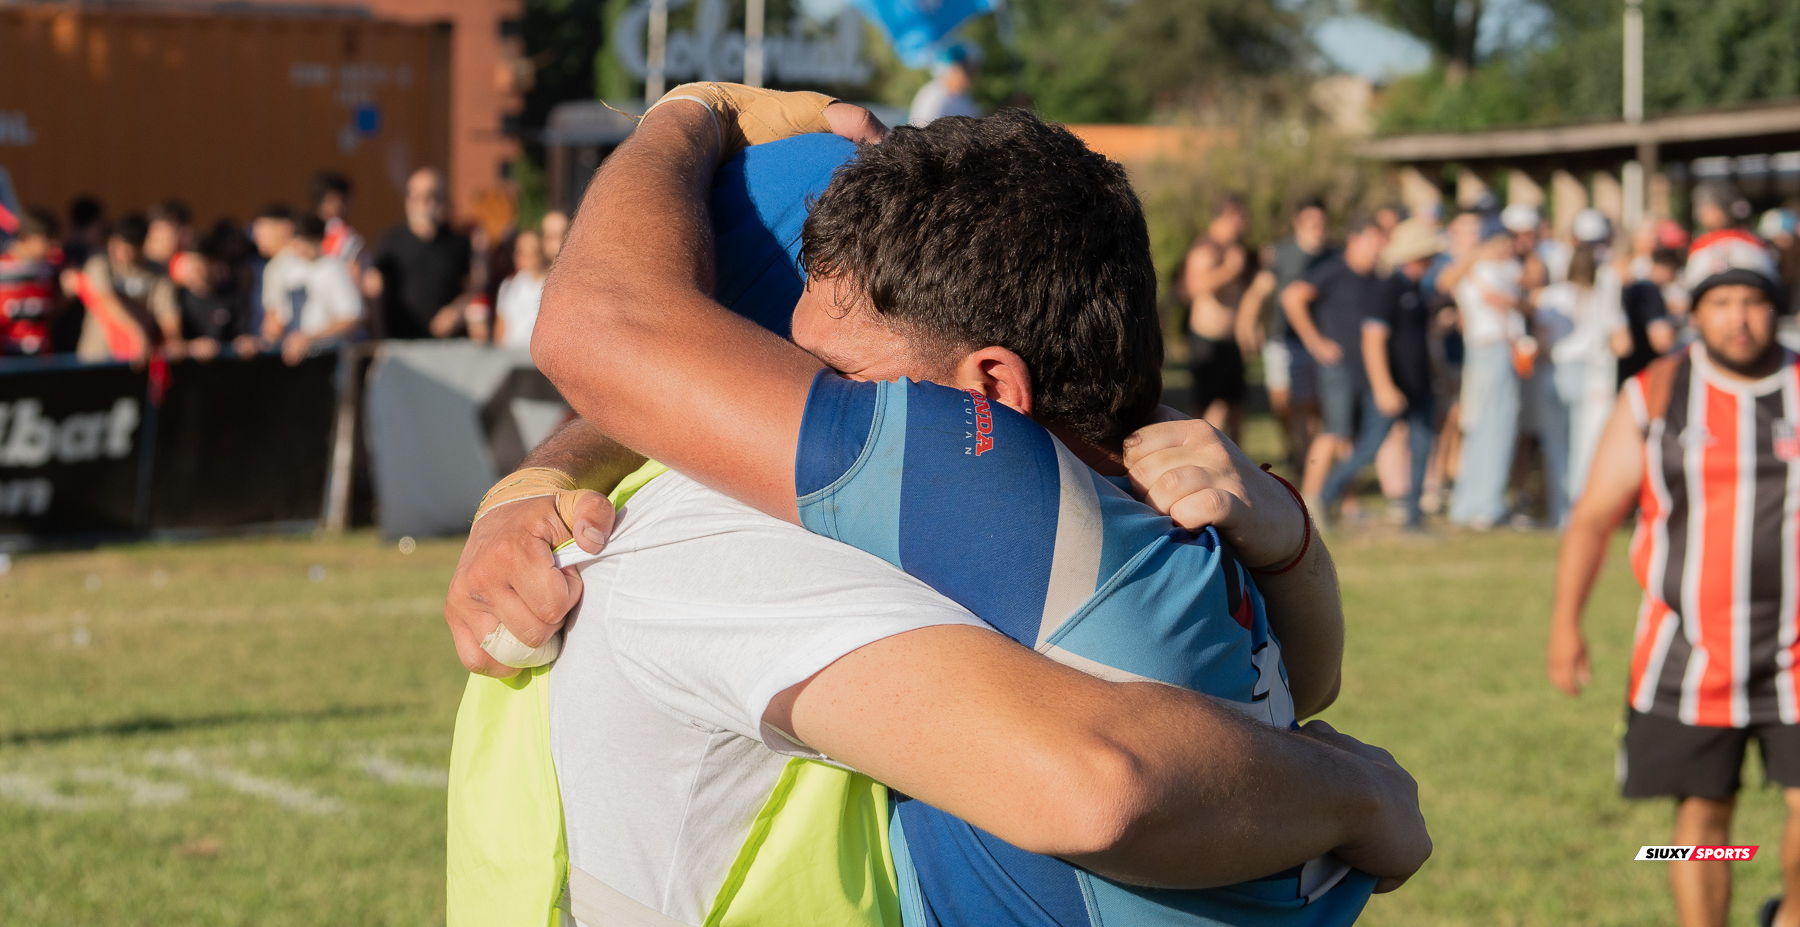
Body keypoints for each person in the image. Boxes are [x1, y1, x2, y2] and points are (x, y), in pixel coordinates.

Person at [449, 94, 1428, 923]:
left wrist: (685, 112)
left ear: (990, 390)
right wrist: (1292, 540)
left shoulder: (980, 485)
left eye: (831, 378)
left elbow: (601, 331)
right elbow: (1311, 678)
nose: (818, 399)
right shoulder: (1168, 511)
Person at [1549, 230, 1800, 927]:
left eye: (1753, 300)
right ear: (1695, 310)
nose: (1738, 317)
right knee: (1701, 823)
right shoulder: (1656, 393)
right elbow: (1595, 517)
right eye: (1721, 302)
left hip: (1797, 656)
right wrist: (1565, 627)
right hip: (1689, 657)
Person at [1318, 216, 1439, 528]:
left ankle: (1413, 516)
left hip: (1418, 387)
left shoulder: (1418, 290)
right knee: (1367, 449)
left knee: (1422, 449)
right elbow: (1373, 340)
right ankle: (1325, 497)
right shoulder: (1388, 288)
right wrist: (1384, 386)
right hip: (1391, 388)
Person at [1280, 215, 1390, 505]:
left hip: (1364, 367)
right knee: (1333, 430)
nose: (1378, 249)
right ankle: (1311, 501)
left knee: (1350, 437)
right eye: (1373, 242)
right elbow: (1292, 297)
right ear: (1354, 241)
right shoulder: (1333, 270)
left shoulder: (1375, 278)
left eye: (1382, 243)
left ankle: (1348, 503)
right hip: (1336, 367)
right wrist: (1315, 342)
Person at [1532, 244, 1623, 520]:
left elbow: (1542, 340)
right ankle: (1580, 511)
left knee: (1557, 445)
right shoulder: (1602, 297)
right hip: (1590, 374)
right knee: (1585, 446)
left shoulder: (1552, 296)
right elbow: (1621, 342)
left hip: (1556, 371)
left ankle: (1561, 512)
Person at [1443, 218, 1524, 528]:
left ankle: (1474, 502)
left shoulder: (1484, 269)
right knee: (1493, 425)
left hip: (1489, 349)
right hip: (1491, 348)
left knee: (1487, 425)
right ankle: (1484, 505)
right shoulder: (1481, 268)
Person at [1240, 200, 1332, 472]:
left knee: (1311, 405)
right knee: (1282, 401)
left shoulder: (1332, 256)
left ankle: (1309, 461)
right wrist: (1248, 325)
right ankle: (1294, 446)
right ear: (1298, 223)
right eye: (1311, 223)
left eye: (1321, 223)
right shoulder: (1281, 253)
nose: (1317, 229)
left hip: (1320, 340)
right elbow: (1258, 292)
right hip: (1283, 339)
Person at [1179, 195, 1256, 440]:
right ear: (1230, 215)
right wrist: (1229, 270)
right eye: (1242, 218)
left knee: (1236, 406)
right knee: (1207, 409)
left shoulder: (1237, 249)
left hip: (1231, 340)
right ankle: (1200, 456)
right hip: (1207, 340)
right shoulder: (1206, 248)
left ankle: (1239, 461)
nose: (1245, 224)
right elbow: (1193, 288)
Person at [370, 168, 473, 339]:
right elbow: (374, 288)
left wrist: (456, 312)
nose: (422, 203)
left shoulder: (459, 243)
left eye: (430, 196)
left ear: (443, 200)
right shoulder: (390, 241)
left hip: (446, 346)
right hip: (401, 345)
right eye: (415, 196)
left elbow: (473, 289)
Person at [72, 214, 179, 362]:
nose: (118, 250)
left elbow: (168, 316)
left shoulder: (157, 273)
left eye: (126, 247)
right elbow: (107, 300)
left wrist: (172, 341)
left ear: (141, 245)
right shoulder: (99, 264)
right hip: (96, 358)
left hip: (138, 360)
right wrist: (137, 332)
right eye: (115, 243)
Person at [260, 214, 363, 365]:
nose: (301, 248)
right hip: (295, 359)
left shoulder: (334, 269)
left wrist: (309, 338)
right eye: (298, 242)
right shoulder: (288, 271)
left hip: (329, 358)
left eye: (306, 242)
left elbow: (351, 317)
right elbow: (279, 320)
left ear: (319, 240)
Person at [0, 208, 62, 356]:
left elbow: (51, 311)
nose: (54, 247)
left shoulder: (50, 268)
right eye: (48, 240)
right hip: (8, 360)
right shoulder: (3, 268)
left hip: (42, 358)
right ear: (27, 238)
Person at [1617, 249, 1679, 386]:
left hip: (1627, 371)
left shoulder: (1634, 288)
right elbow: (1662, 342)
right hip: (1645, 373)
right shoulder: (1651, 293)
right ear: (1670, 269)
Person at [244, 203, 295, 343]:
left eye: (261, 232)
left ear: (284, 228)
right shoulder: (316, 260)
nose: (256, 238)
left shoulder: (276, 267)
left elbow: (274, 325)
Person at [492, 228, 547, 350]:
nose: (521, 256)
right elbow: (501, 329)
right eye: (519, 250)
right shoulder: (508, 285)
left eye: (529, 250)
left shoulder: (550, 286)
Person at [907, 41, 979, 126]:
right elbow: (922, 132)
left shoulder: (963, 98)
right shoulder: (934, 96)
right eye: (965, 68)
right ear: (951, 70)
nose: (971, 74)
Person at [311, 170, 366, 270]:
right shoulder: (305, 232)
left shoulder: (346, 234)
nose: (341, 205)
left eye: (345, 200)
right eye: (332, 200)